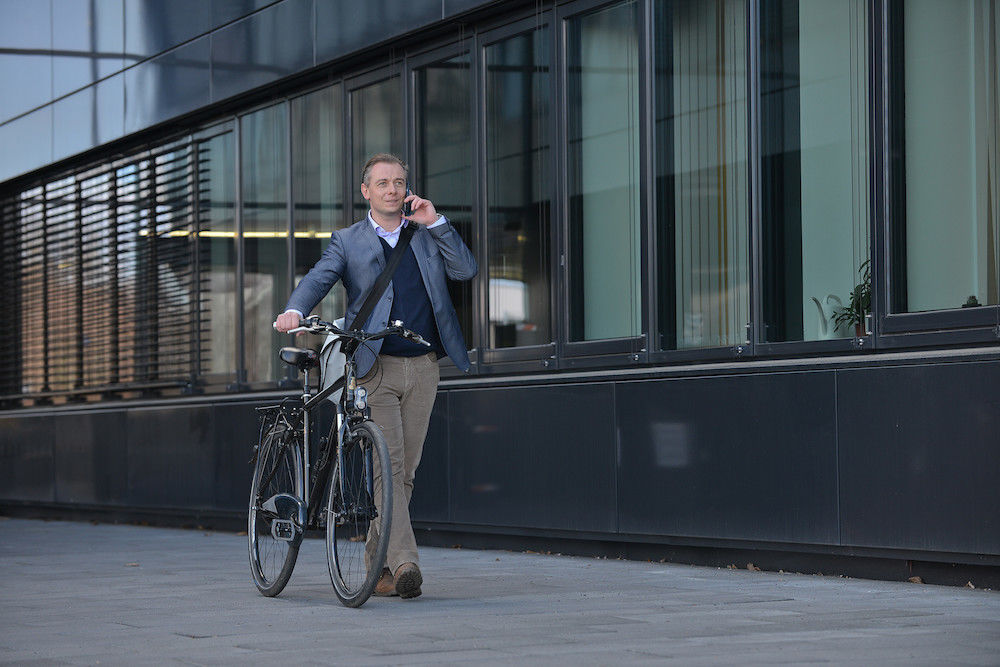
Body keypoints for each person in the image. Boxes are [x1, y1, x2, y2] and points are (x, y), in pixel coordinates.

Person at [274, 153, 477, 599]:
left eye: (399, 182)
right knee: (391, 466)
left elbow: (466, 270)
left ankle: (376, 568)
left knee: (403, 475)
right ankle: (405, 564)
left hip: (424, 367)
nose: (393, 189)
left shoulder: (425, 233)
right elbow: (318, 278)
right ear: (366, 190)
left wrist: (437, 220)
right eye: (383, 182)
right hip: (374, 367)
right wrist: (295, 310)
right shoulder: (348, 241)